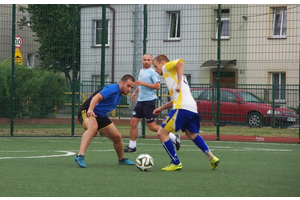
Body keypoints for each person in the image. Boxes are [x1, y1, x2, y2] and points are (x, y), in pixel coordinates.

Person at [152, 54, 219, 171]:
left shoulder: (166, 67)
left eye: (155, 66)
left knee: (161, 133)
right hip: (192, 108)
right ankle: (212, 158)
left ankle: (175, 162)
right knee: (191, 134)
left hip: (182, 107)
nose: (155, 70)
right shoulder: (176, 76)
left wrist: (178, 83)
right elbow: (175, 98)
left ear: (162, 63)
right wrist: (162, 108)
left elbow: (180, 62)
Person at [75, 74, 136, 168]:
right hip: (87, 110)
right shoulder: (113, 89)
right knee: (93, 127)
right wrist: (90, 110)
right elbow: (96, 97)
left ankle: (122, 159)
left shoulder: (120, 93)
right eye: (128, 86)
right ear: (121, 83)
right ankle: (80, 156)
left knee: (117, 137)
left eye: (131, 87)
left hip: (100, 116)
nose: (129, 89)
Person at [124, 53, 181, 153]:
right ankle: (132, 147)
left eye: (148, 60)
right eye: (144, 60)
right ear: (142, 61)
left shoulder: (153, 72)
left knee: (152, 126)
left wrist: (142, 83)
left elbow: (157, 86)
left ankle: (173, 136)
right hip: (140, 102)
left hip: (149, 102)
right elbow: (142, 85)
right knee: (133, 122)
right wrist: (135, 92)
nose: (146, 61)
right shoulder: (141, 71)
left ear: (151, 61)